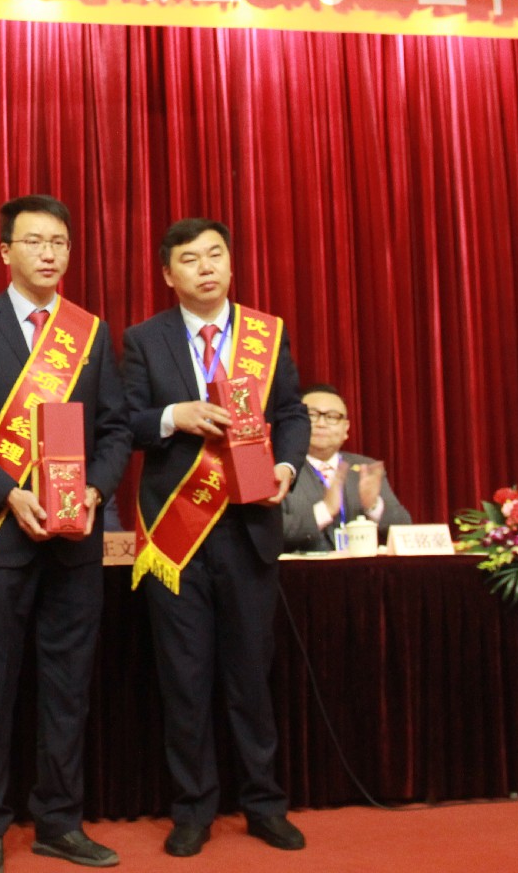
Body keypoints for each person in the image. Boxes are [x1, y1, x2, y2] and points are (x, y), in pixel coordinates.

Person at [0, 195, 131, 873]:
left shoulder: (89, 332)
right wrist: (7, 494)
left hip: (75, 540)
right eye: (35, 241)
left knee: (67, 687)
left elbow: (115, 429)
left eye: (59, 243)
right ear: (5, 252)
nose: (49, 253)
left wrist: (96, 489)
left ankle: (59, 822)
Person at [121, 218, 309, 858]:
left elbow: (291, 413)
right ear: (167, 274)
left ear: (230, 264)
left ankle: (264, 803)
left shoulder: (266, 334)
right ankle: (193, 808)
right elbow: (124, 422)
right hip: (178, 536)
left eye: (215, 255)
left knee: (251, 676)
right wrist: (176, 416)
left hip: (249, 527)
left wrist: (287, 467)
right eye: (190, 259)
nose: (205, 267)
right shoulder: (144, 339)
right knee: (185, 677)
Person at [282, 383, 412, 552]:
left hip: (361, 567)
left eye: (332, 417)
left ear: (346, 428)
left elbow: (404, 529)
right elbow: (271, 533)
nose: (321, 423)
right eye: (312, 415)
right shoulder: (282, 469)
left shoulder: (365, 468)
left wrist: (373, 506)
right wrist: (325, 510)